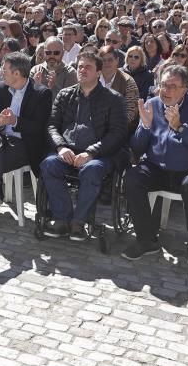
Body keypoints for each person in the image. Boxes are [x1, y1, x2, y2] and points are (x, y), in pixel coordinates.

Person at [122, 65, 188, 279]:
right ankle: (146, 239)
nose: (166, 90)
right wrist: (145, 127)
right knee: (132, 178)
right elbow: (137, 149)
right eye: (163, 84)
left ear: (185, 89)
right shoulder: (152, 104)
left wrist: (180, 128)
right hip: (158, 167)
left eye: (173, 86)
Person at [39, 53, 128, 240]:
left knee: (91, 170)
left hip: (99, 154)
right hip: (68, 149)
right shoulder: (65, 94)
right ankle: (62, 218)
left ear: (98, 72)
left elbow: (117, 133)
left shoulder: (113, 99)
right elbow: (52, 125)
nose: (82, 70)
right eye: (80, 66)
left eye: (88, 67)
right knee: (49, 164)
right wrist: (61, 147)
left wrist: (91, 152)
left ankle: (79, 222)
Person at [0, 53, 53, 235]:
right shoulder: (1, 88)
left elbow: (39, 127)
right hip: (1, 141)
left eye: (4, 70)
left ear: (16, 73)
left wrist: (15, 121)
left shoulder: (41, 93)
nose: (1, 73)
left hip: (25, 144)